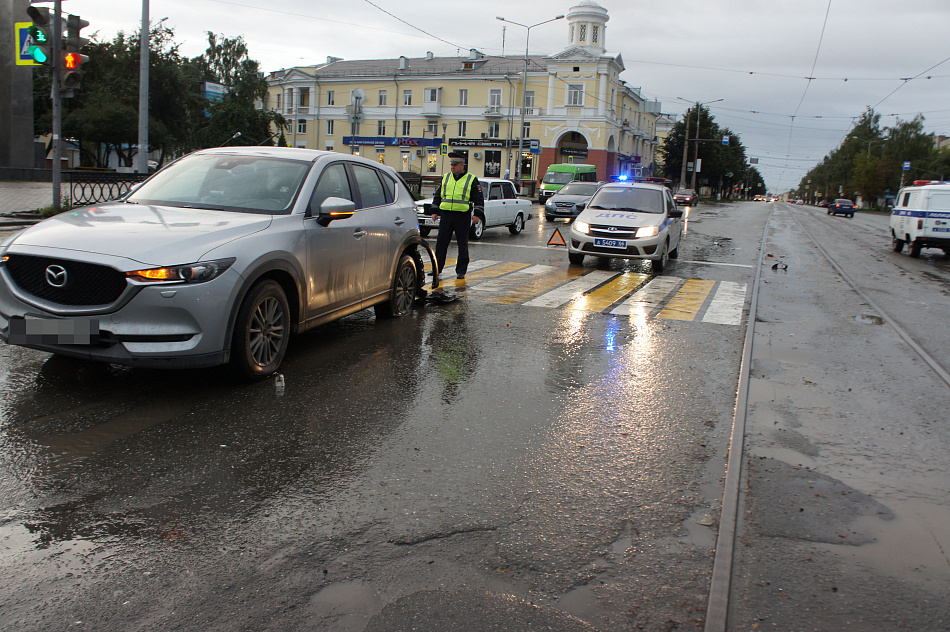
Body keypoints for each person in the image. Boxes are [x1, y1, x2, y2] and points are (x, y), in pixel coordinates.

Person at [431, 152, 484, 280]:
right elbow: (438, 195)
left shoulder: (471, 179)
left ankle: (461, 271)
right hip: (446, 215)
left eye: (455, 165)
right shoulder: (446, 177)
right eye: (451, 165)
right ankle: (437, 268)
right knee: (441, 243)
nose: (452, 167)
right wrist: (434, 210)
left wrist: (477, 214)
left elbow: (478, 198)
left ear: (462, 165)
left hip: (462, 216)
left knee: (462, 244)